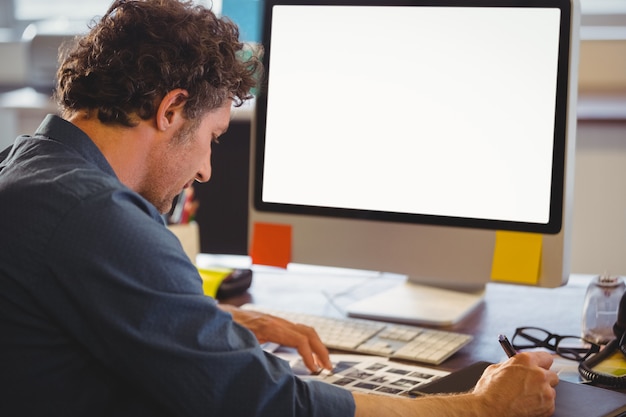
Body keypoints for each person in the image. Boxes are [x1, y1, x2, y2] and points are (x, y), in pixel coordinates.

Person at [0, 0, 559, 416]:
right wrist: (482, 407)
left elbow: (73, 313)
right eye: (213, 137)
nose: (205, 170)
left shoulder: (25, 168)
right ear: (172, 109)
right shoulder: (97, 217)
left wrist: (204, 322)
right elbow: (271, 406)